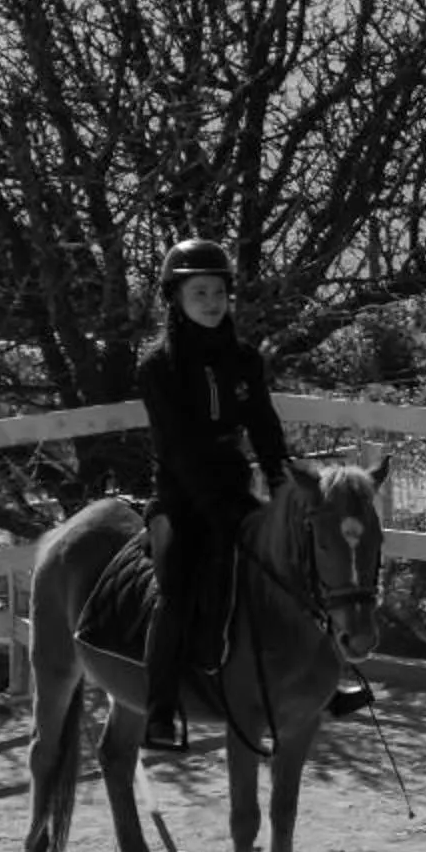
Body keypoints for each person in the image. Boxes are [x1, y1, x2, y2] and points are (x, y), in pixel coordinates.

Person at [135, 237, 373, 749]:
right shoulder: (157, 367)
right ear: (175, 298)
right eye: (199, 292)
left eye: (218, 291)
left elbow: (264, 429)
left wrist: (286, 491)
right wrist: (216, 507)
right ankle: (159, 708)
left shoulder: (242, 358)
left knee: (299, 561)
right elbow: (177, 451)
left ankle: (328, 682)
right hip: (180, 499)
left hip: (233, 489)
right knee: (176, 586)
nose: (212, 301)